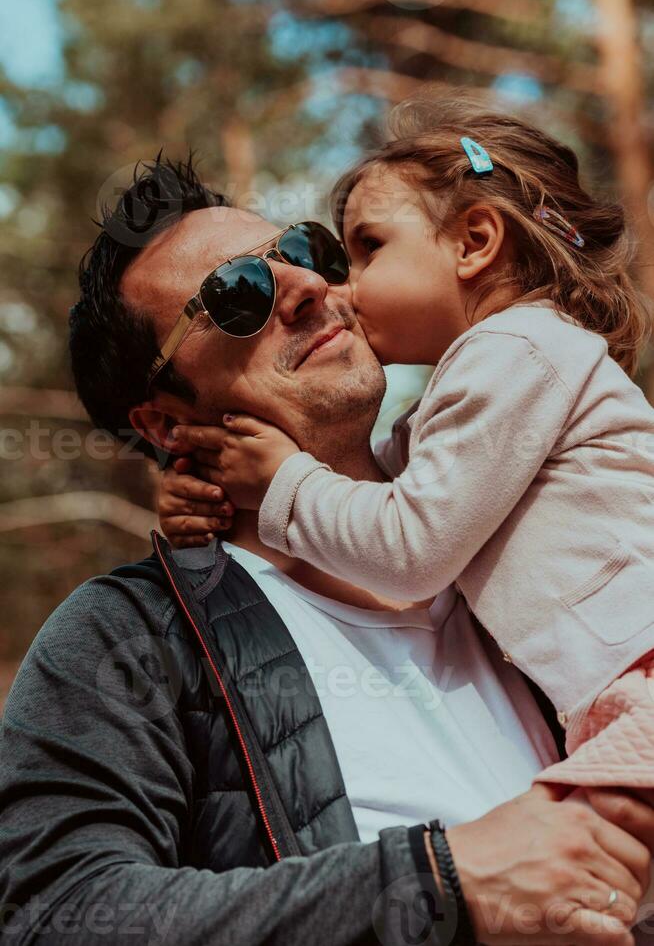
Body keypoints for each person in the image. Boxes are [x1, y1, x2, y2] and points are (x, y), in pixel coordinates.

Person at [1, 153, 652, 946]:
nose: (308, 288)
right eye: (236, 294)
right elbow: (55, 916)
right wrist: (440, 883)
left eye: (306, 252)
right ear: (166, 425)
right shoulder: (127, 637)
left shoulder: (525, 534)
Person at [160, 95, 654, 804]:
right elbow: (376, 488)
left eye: (367, 248)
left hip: (642, 673)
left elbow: (409, 550)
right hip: (614, 687)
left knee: (584, 875)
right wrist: (209, 492)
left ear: (473, 242)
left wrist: (279, 487)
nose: (343, 288)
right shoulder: (482, 381)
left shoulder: (514, 349)